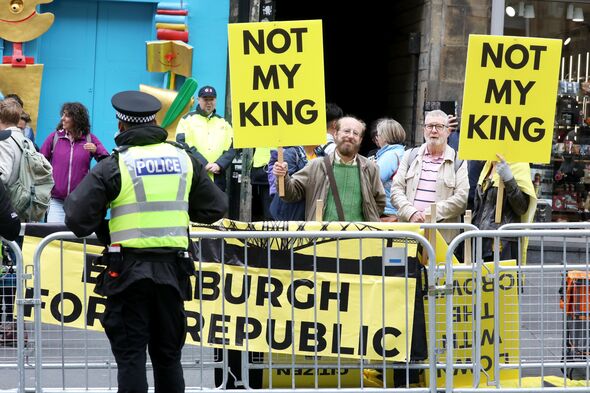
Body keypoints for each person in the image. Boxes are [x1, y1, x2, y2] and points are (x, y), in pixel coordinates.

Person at [64, 90, 228, 393]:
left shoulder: (115, 165)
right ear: (154, 121)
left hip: (128, 275)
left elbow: (75, 217)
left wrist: (105, 227)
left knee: (131, 359)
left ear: (122, 126)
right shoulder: (184, 159)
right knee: (168, 358)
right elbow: (216, 207)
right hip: (172, 274)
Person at [272, 116, 385, 221]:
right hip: (323, 239)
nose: (350, 136)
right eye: (346, 131)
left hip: (358, 239)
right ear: (335, 134)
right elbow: (290, 194)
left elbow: (379, 202)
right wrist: (282, 176)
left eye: (355, 133)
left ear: (360, 140)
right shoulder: (316, 166)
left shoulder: (370, 168)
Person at [391, 109, 469, 242]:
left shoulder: (458, 161)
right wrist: (412, 213)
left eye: (439, 126)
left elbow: (461, 199)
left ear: (448, 131)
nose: (433, 130)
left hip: (442, 239)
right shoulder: (409, 156)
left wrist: (430, 214)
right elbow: (396, 190)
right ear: (424, 130)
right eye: (429, 126)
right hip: (409, 233)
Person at [40, 102, 109, 223]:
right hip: (56, 201)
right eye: (63, 114)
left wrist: (96, 149)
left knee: (75, 241)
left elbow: (107, 162)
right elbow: (39, 162)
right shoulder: (54, 138)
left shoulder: (90, 139)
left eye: (67, 115)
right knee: (54, 239)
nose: (62, 118)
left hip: (80, 203)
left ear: (76, 119)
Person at [472, 154, 537, 261]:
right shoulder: (488, 164)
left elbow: (521, 208)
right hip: (481, 243)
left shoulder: (519, 163)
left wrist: (509, 179)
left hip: (502, 247)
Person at [175, 85, 235, 191]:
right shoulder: (187, 120)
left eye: (211, 99)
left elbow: (232, 147)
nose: (208, 102)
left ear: (215, 100)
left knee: (217, 207)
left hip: (218, 177)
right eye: (205, 99)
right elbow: (182, 144)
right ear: (199, 100)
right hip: (195, 175)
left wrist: (219, 164)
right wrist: (204, 164)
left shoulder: (224, 122)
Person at [373, 118, 406, 221]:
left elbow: (374, 181)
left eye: (378, 135)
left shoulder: (390, 156)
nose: (377, 138)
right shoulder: (401, 152)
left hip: (387, 211)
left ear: (385, 138)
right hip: (396, 209)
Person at [267, 146, 308, 221]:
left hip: (300, 210)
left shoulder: (319, 153)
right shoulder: (291, 153)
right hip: (287, 211)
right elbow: (288, 186)